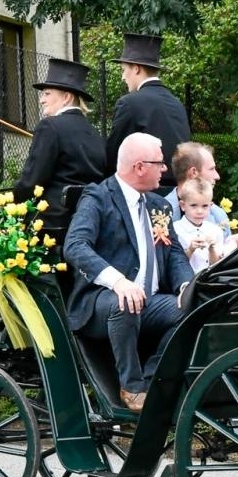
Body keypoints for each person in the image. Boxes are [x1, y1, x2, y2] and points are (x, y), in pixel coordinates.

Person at [64, 132, 195, 413]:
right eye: (159, 163)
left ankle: (153, 380)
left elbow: (173, 254)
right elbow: (75, 246)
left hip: (149, 301)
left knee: (192, 307)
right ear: (139, 167)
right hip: (101, 302)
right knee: (125, 302)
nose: (164, 169)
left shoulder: (158, 205)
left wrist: (186, 285)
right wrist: (118, 281)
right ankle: (132, 388)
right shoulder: (98, 197)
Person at [12, 57, 108, 240]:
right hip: (90, 221)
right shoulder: (95, 134)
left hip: (50, 225)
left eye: (47, 93)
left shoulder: (49, 126)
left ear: (66, 97)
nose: (41, 100)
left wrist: (8, 202)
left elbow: (32, 181)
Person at [106, 33, 191, 194]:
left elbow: (115, 156)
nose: (123, 77)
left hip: (146, 193)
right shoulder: (177, 103)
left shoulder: (129, 103)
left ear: (136, 69)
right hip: (180, 194)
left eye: (124, 70)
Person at [170, 140, 238, 246]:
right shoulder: (160, 212)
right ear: (193, 173)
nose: (217, 176)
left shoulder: (218, 214)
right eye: (212, 169)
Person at [174, 178, 237, 274]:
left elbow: (215, 265)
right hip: (186, 282)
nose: (200, 211)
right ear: (183, 205)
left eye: (205, 206)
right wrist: (190, 249)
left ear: (210, 206)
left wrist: (212, 249)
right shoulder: (176, 230)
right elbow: (175, 265)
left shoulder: (215, 230)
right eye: (194, 205)